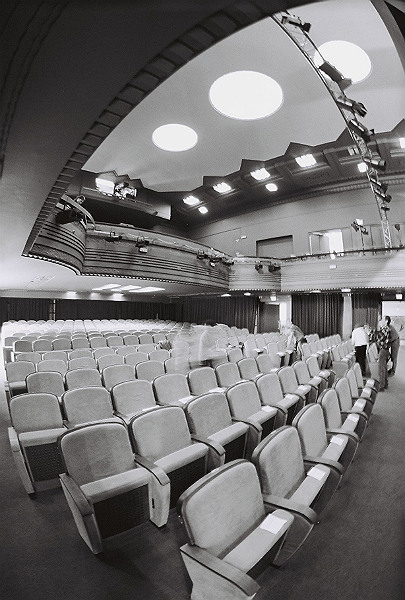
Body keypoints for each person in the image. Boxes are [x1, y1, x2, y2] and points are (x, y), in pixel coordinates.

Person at [370, 317, 391, 391]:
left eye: (382, 320)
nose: (380, 321)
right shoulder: (386, 329)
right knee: (384, 368)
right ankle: (385, 384)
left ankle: (381, 386)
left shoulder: (385, 329)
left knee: (381, 369)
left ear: (386, 321)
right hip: (385, 350)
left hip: (383, 350)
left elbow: (378, 338)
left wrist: (370, 333)